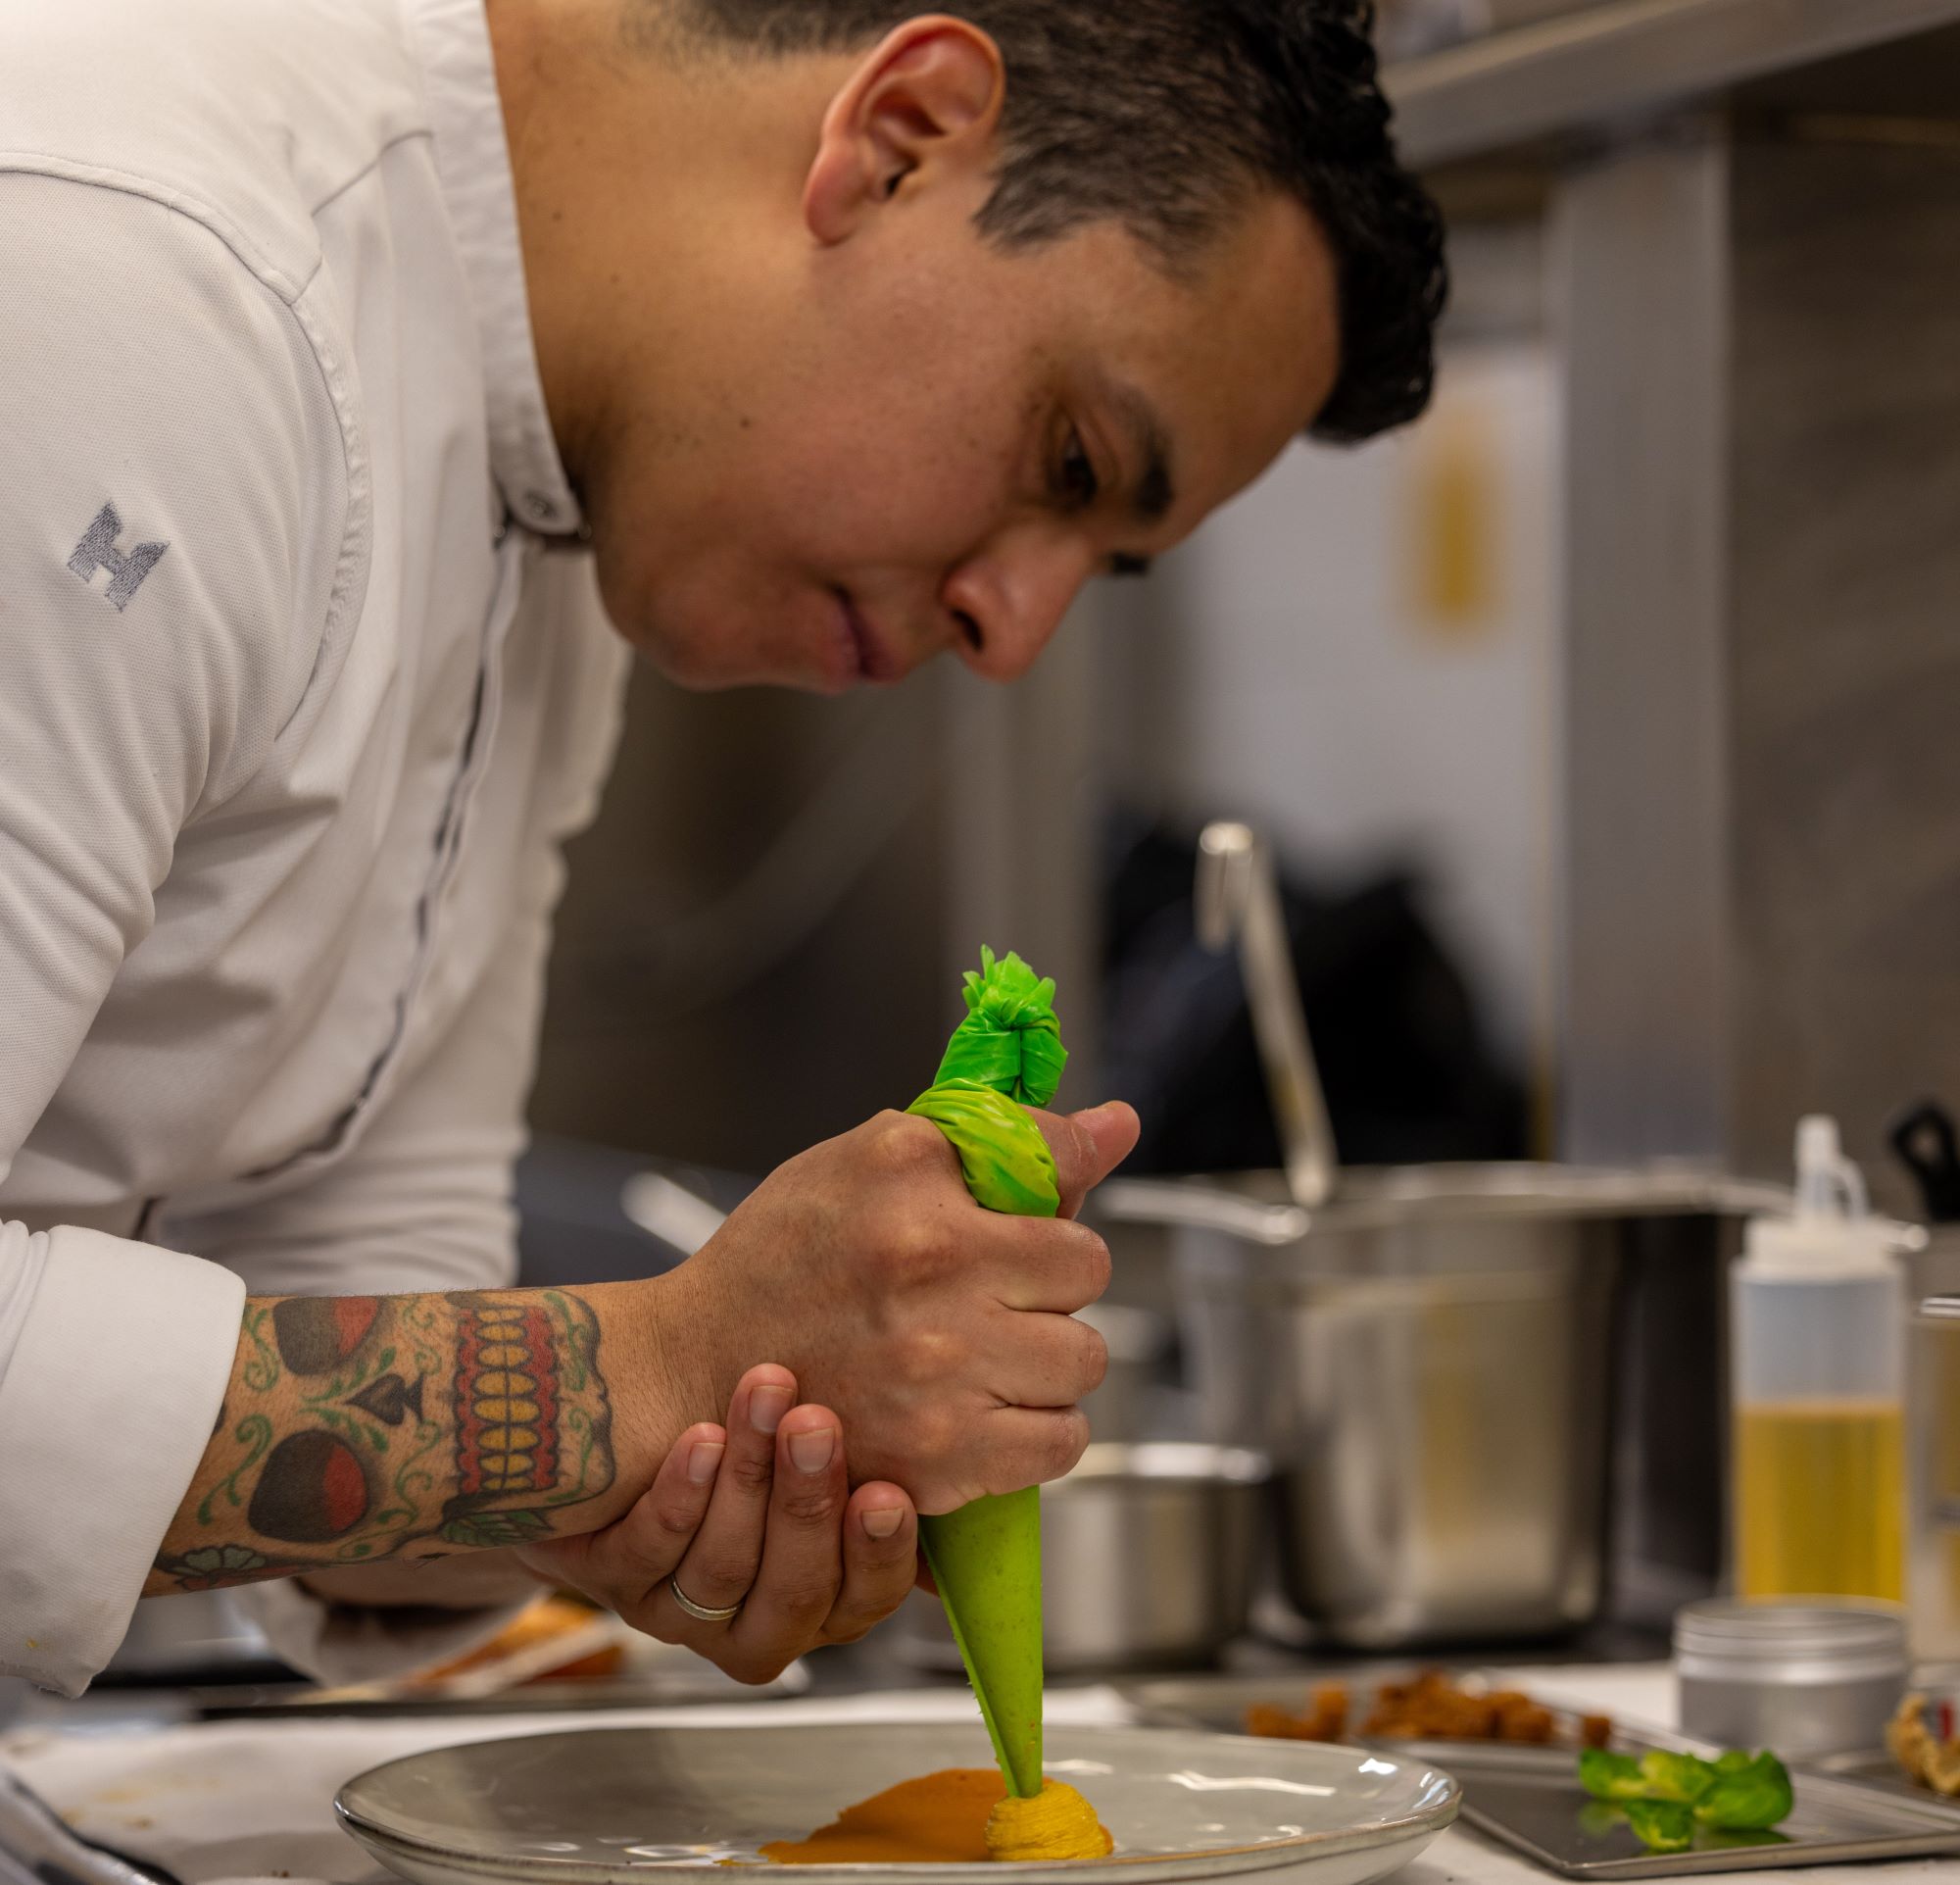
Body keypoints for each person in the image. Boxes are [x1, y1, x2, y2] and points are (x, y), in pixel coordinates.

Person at [0, 0, 1445, 1699]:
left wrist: (668, 1464)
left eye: (1104, 564)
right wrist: (659, 1367)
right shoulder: (135, 285)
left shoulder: (549, 480)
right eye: (1070, 460)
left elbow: (356, 1275)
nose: (1015, 625)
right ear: (902, 134)